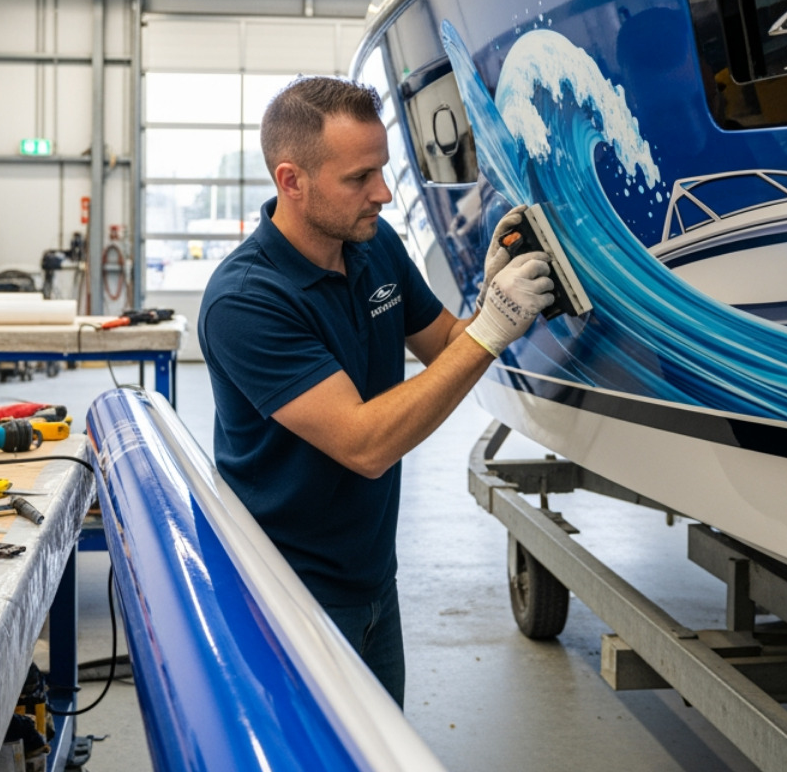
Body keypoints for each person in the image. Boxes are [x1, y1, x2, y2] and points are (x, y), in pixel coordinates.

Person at [198, 75, 554, 705]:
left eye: (383, 170)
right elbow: (364, 444)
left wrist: (488, 301)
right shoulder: (246, 301)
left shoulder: (372, 245)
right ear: (292, 181)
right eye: (359, 178)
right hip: (288, 591)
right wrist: (494, 329)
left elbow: (449, 344)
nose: (383, 193)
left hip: (372, 579)